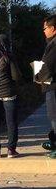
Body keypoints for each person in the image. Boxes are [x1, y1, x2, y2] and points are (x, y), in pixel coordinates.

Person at [0, 34, 22, 158]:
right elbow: (16, 76)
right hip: (8, 92)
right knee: (11, 122)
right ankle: (11, 150)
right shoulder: (8, 57)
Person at [35, 14, 56, 159]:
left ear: (53, 28)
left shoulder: (53, 45)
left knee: (54, 116)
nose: (44, 31)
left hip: (53, 87)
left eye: (45, 28)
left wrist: (37, 75)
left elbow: (47, 66)